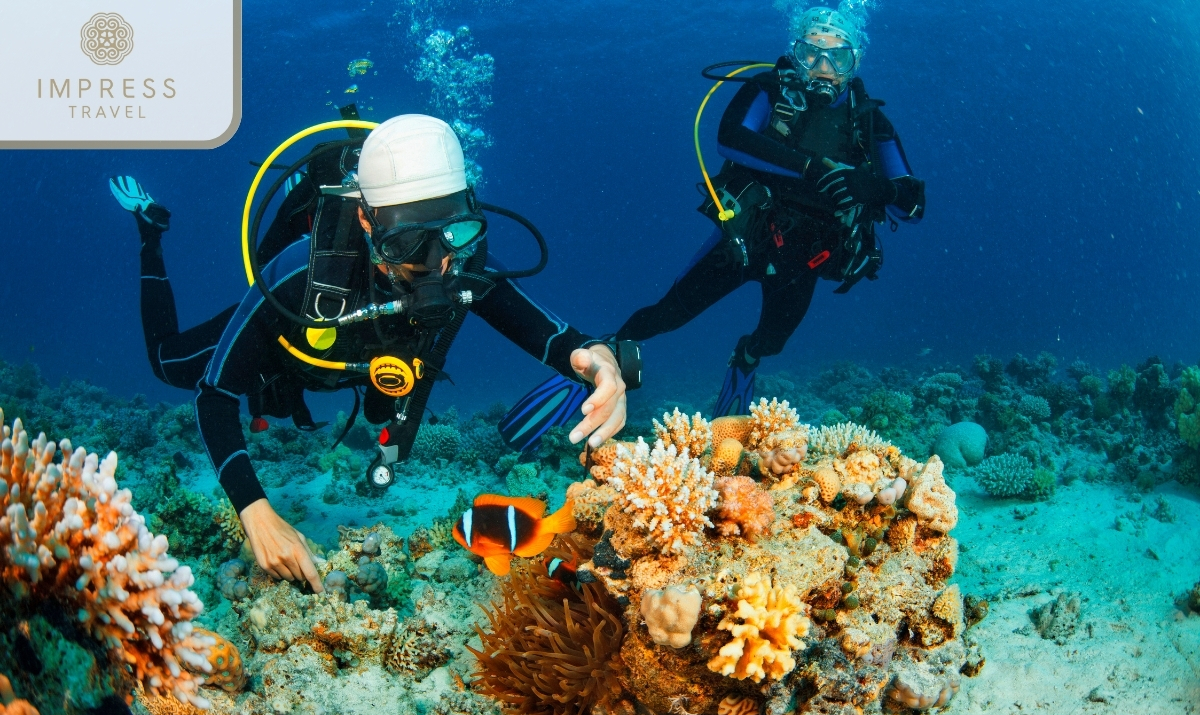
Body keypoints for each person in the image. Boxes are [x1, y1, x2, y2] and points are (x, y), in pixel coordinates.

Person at [111, 114, 638, 593]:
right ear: (367, 222)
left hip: (374, 367)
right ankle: (149, 233)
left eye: (453, 232)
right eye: (409, 242)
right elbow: (215, 395)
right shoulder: (299, 275)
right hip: (288, 352)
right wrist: (254, 510)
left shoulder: (465, 263)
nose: (437, 264)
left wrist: (600, 361)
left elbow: (555, 338)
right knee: (169, 364)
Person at [616, 5, 926, 416]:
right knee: (666, 315)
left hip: (807, 259)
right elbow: (729, 137)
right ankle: (600, 356)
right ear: (794, 55)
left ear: (855, 62)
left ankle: (745, 357)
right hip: (745, 238)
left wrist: (876, 187)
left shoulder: (870, 124)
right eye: (811, 53)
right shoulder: (770, 89)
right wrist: (810, 168)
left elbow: (914, 206)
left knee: (772, 341)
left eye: (838, 56)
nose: (823, 67)